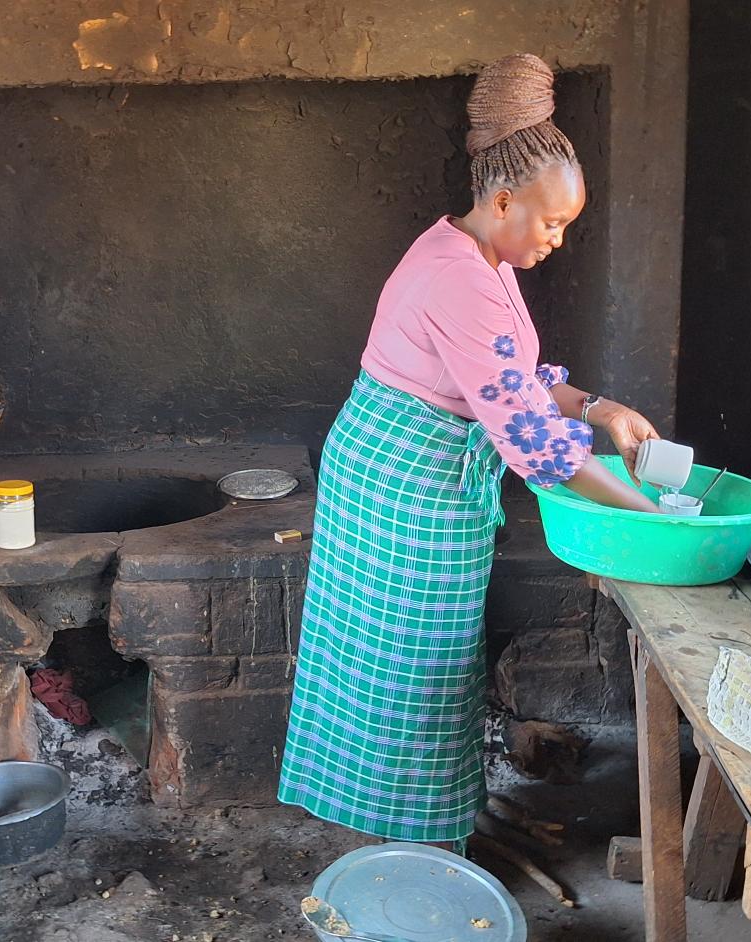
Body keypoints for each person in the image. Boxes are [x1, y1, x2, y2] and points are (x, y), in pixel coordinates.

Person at [277, 53, 663, 846]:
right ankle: (416, 841)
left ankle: (431, 816)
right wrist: (655, 514)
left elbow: (514, 380)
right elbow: (531, 444)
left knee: (423, 665)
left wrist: (598, 407)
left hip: (412, 476)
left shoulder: (477, 252)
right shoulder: (460, 278)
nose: (558, 240)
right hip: (400, 488)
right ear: (504, 197)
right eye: (552, 223)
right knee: (405, 673)